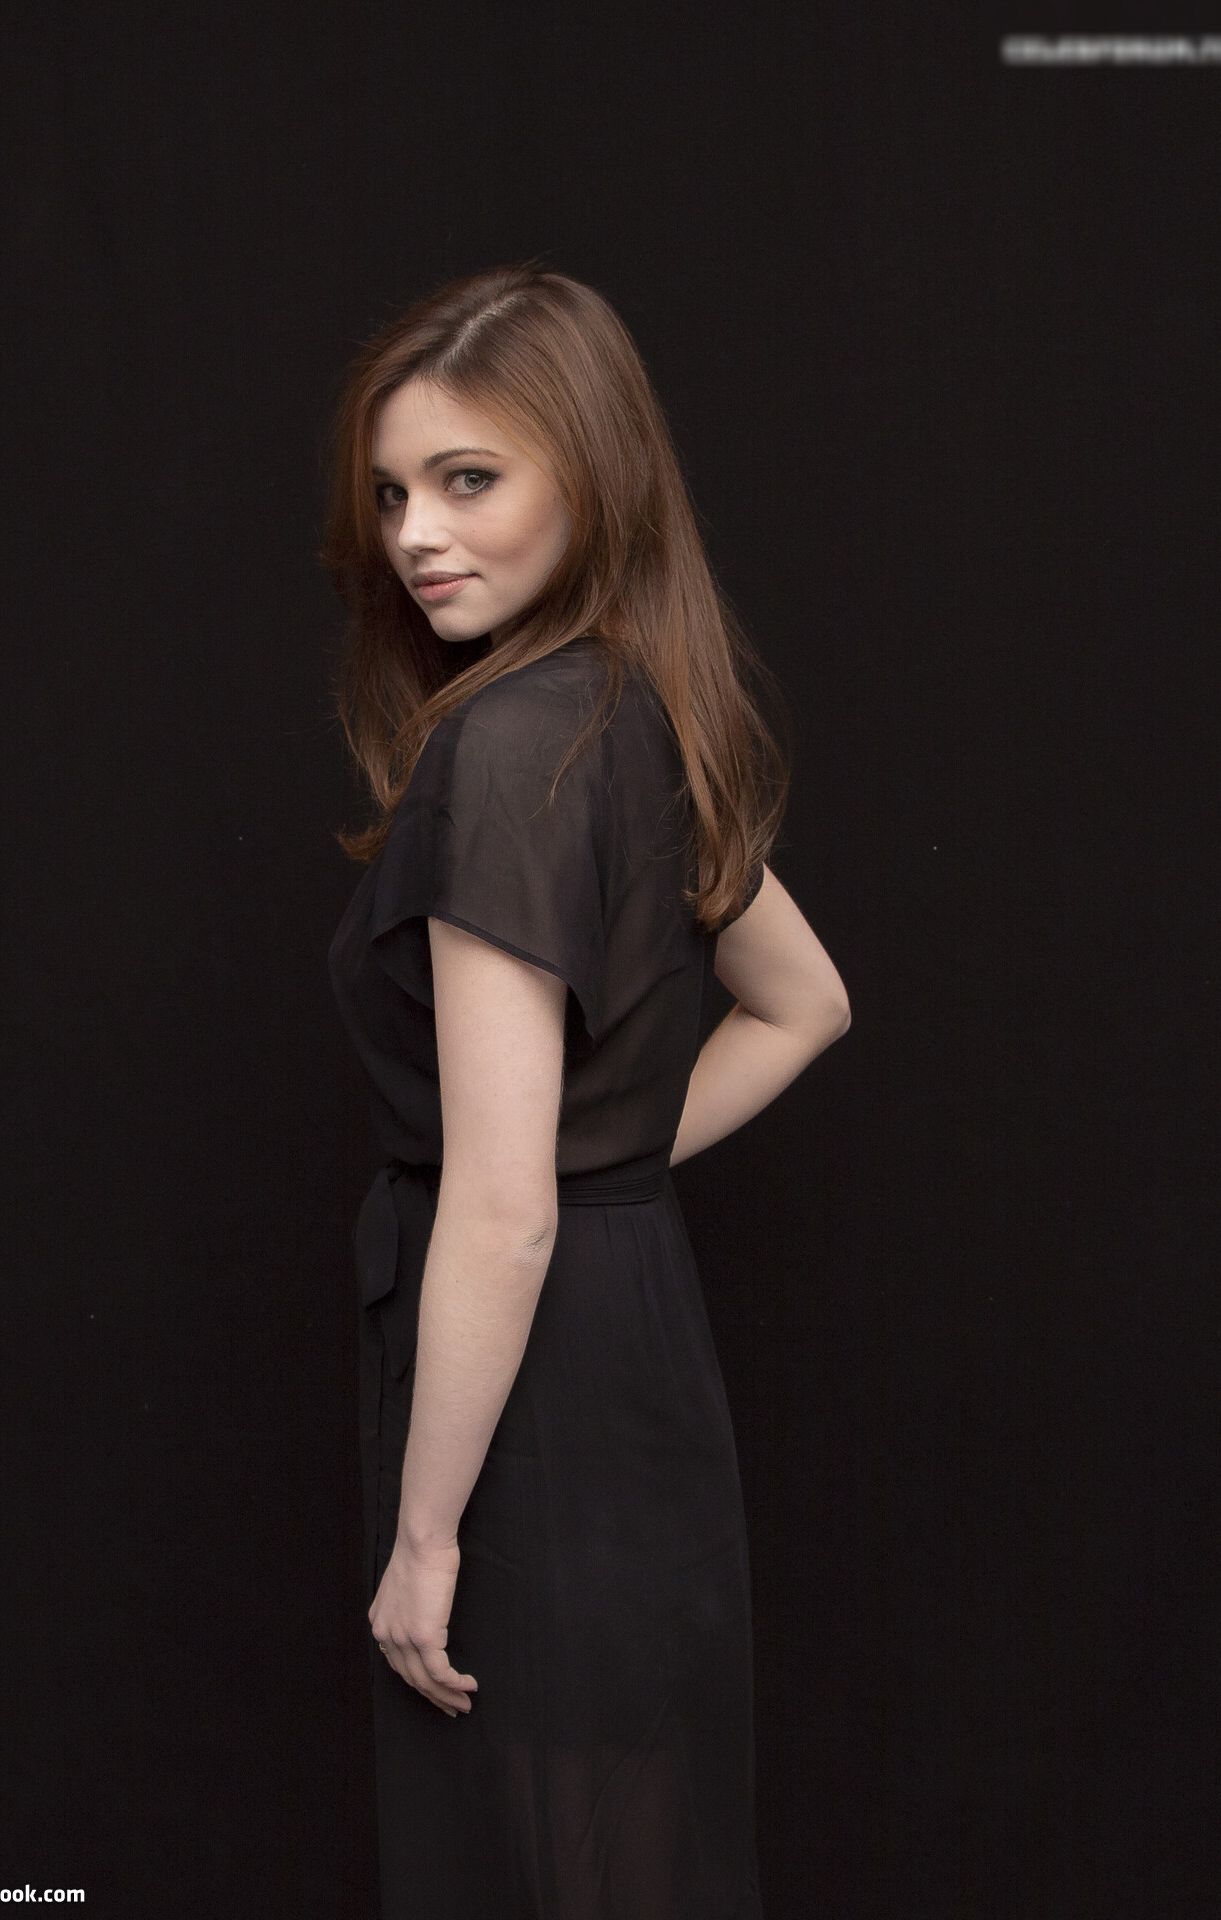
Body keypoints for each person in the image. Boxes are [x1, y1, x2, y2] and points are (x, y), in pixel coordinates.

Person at [324, 265, 850, 1919]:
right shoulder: (638, 711)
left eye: (469, 479)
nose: (416, 534)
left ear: (594, 474)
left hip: (528, 1386)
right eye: (393, 493)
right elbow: (808, 1004)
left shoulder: (504, 754)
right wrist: (595, 1160)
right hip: (634, 1344)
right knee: (627, 1841)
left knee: (536, 1852)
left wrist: (425, 1540)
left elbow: (500, 1211)